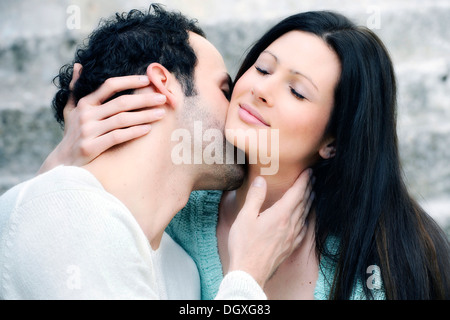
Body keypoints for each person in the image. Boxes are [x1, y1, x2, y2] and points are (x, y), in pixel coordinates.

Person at [39, 11, 450, 299]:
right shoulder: (175, 210)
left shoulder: (387, 256)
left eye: (297, 91)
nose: (261, 90)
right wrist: (63, 161)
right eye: (263, 68)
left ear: (334, 141)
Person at [0, 5, 313, 300]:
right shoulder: (70, 214)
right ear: (164, 83)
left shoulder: (182, 269)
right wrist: (247, 273)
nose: (239, 109)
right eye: (224, 91)